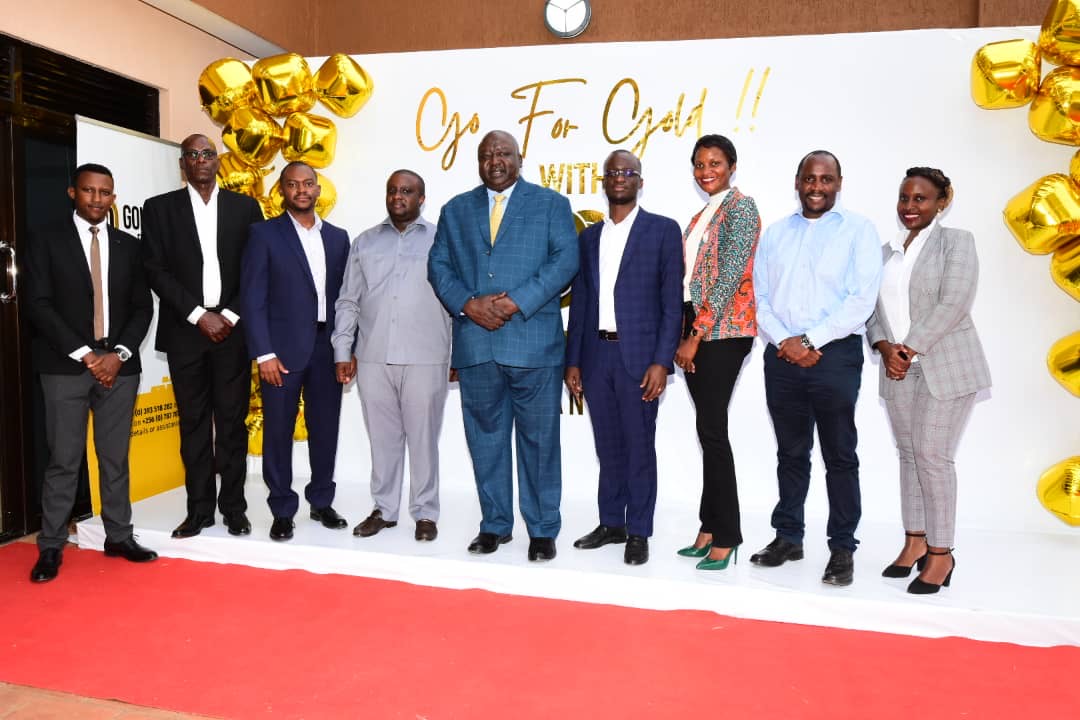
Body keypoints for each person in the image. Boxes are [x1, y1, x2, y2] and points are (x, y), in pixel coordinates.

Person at [428, 130, 579, 562]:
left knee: (540, 442)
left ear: (520, 157)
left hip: (533, 342)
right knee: (485, 440)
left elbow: (565, 261)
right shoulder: (456, 209)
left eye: (504, 153)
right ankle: (495, 524)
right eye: (487, 154)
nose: (496, 160)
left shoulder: (551, 204)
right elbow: (438, 265)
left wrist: (515, 302)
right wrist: (467, 304)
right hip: (477, 345)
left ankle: (543, 528)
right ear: (479, 162)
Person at [750, 150, 882, 586]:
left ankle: (842, 547)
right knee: (790, 453)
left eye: (826, 179)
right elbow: (761, 298)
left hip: (834, 357)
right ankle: (788, 535)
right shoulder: (777, 233)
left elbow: (862, 299)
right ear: (797, 181)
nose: (817, 187)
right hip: (783, 356)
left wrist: (809, 341)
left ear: (839, 182)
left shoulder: (859, 231)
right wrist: (787, 342)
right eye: (810, 178)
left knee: (839, 455)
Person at [25, 163, 157, 582]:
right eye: (89, 191)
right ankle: (50, 546)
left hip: (120, 366)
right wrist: (87, 355)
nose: (97, 199)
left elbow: (142, 306)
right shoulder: (46, 240)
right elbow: (39, 303)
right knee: (64, 460)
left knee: (114, 457)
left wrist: (118, 353)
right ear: (72, 193)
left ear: (113, 198)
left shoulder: (129, 245)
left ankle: (118, 535)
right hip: (65, 366)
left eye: (105, 193)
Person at [866, 167, 990, 595]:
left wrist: (908, 348)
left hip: (946, 366)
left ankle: (941, 554)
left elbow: (953, 302)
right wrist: (886, 348)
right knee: (908, 455)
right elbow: (872, 311)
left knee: (932, 456)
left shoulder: (957, 243)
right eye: (904, 198)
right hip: (897, 366)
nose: (910, 206)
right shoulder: (884, 253)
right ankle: (914, 541)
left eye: (920, 198)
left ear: (942, 201)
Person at [142, 134, 264, 539]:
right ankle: (199, 512)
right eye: (192, 154)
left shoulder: (245, 207)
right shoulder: (159, 209)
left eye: (207, 154)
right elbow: (155, 270)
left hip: (232, 330)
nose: (200, 160)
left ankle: (234, 509)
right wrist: (199, 315)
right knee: (193, 424)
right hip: (185, 331)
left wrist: (227, 314)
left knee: (231, 423)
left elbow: (256, 268)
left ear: (218, 161)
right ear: (183, 164)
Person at [565, 150, 683, 566]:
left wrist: (661, 361)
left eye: (627, 172)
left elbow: (672, 305)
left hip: (639, 358)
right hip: (597, 355)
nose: (619, 178)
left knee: (639, 446)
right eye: (613, 173)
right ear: (604, 181)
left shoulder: (663, 231)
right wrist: (573, 360)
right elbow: (580, 301)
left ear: (639, 181)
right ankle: (612, 522)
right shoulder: (589, 237)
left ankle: (639, 531)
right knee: (608, 446)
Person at [332, 170, 451, 542]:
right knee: (382, 439)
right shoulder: (364, 242)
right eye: (392, 190)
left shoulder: (442, 241)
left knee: (423, 439)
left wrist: (459, 356)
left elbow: (458, 300)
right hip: (373, 355)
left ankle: (426, 513)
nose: (398, 196)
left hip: (427, 354)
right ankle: (384, 509)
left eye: (407, 191)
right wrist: (342, 348)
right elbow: (349, 299)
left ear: (422, 197)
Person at [240, 161, 350, 541]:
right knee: (278, 432)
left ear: (319, 190)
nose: (301, 190)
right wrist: (264, 353)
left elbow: (346, 299)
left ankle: (321, 501)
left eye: (308, 184)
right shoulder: (264, 234)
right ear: (282, 191)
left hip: (328, 347)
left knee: (325, 429)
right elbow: (252, 298)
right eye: (292, 184)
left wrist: (346, 349)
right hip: (282, 353)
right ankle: (282, 508)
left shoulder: (338, 238)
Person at [672, 135, 761, 571]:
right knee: (708, 431)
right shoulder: (701, 214)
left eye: (716, 163)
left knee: (713, 431)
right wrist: (684, 329)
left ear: (732, 166)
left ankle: (727, 534)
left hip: (723, 330)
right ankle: (709, 526)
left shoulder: (741, 208)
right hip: (697, 324)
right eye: (700, 164)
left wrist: (697, 334)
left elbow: (729, 277)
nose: (707, 170)